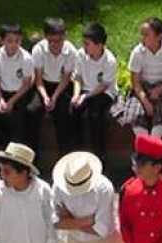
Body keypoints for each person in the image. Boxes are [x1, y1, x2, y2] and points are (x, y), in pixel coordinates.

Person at [29, 18, 77, 158]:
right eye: (51, 41)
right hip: (43, 85)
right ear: (46, 37)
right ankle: (33, 158)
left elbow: (66, 78)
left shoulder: (71, 51)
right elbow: (38, 79)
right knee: (32, 111)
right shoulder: (38, 49)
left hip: (62, 87)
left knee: (64, 115)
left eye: (59, 41)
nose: (55, 45)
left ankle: (65, 158)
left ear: (65, 37)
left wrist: (54, 97)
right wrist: (45, 97)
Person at [126, 17, 162, 138]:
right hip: (143, 88)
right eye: (142, 34)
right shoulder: (138, 52)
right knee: (136, 112)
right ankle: (145, 146)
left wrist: (160, 89)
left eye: (146, 34)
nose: (142, 38)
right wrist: (145, 101)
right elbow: (135, 82)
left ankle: (153, 143)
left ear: (159, 36)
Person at [71, 23, 118, 162]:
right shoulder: (81, 54)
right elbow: (78, 77)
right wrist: (76, 95)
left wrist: (85, 96)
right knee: (73, 110)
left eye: (87, 44)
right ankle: (77, 152)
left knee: (95, 115)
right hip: (85, 90)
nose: (84, 47)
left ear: (99, 45)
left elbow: (103, 85)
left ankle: (99, 155)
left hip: (103, 93)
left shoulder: (109, 61)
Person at [0, 24, 34, 149]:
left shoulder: (26, 58)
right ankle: (3, 144)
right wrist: (1, 99)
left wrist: (11, 101)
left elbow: (26, 84)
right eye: (10, 41)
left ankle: (15, 148)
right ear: (1, 41)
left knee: (18, 120)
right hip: (1, 91)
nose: (14, 45)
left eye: (17, 41)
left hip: (19, 93)